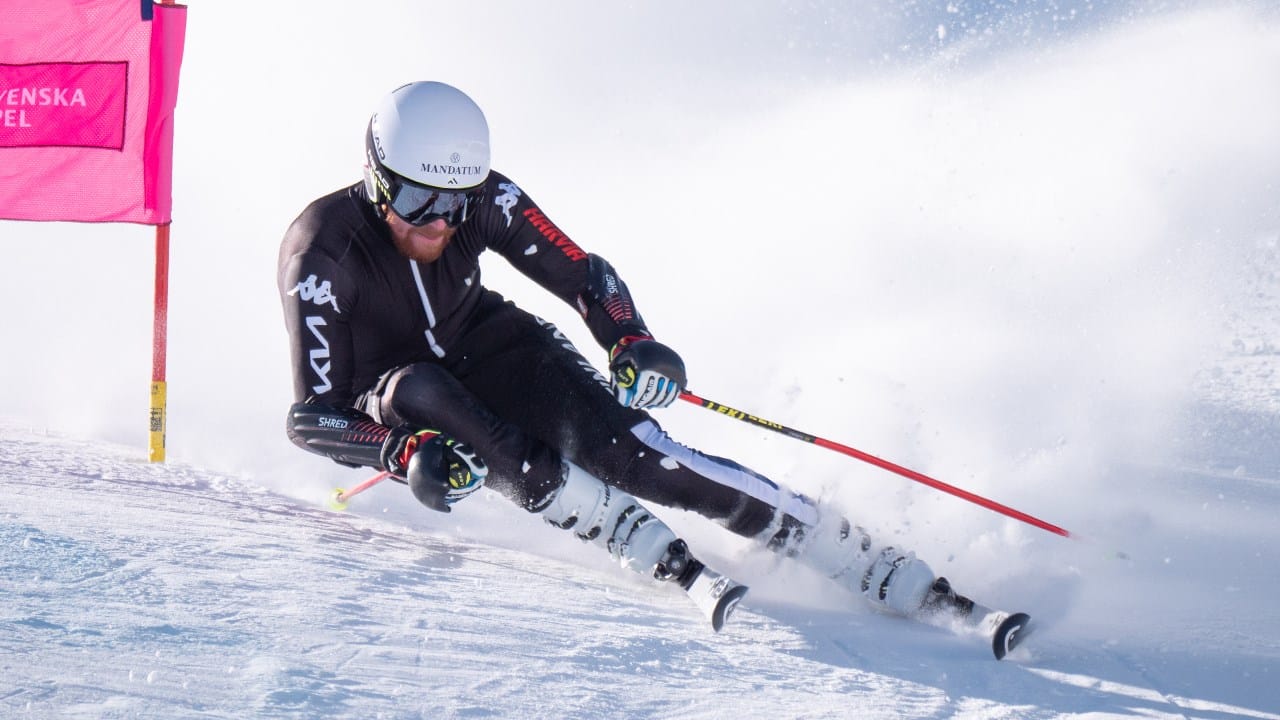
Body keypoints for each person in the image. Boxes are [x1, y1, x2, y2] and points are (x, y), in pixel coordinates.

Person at [278, 81, 957, 629]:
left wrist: (630, 339)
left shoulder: (487, 198)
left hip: (488, 346)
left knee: (640, 456)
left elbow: (585, 276)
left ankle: (858, 557)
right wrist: (397, 452)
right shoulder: (322, 253)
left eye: (455, 203)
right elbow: (312, 415)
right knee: (425, 392)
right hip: (397, 399)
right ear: (375, 176)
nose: (437, 222)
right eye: (416, 199)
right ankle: (629, 538)